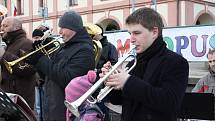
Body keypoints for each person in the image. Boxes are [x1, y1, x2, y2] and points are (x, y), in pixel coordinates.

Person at [99, 7, 189, 121]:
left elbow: (169, 102)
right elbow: (117, 100)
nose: (131, 39)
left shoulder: (176, 62)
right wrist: (111, 81)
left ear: (154, 32)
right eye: (130, 33)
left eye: (136, 33)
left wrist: (127, 82)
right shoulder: (133, 62)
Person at [27, 10, 95, 121]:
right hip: (53, 108)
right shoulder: (65, 46)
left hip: (65, 112)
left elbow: (67, 78)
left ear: (73, 28)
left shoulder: (84, 50)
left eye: (63, 27)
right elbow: (49, 75)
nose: (60, 32)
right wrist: (37, 59)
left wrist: (41, 60)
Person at [0, 16, 36, 109]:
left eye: (5, 26)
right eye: (1, 26)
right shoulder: (8, 44)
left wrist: (4, 55)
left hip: (21, 99)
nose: (2, 29)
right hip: (8, 97)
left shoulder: (27, 43)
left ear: (16, 28)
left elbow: (28, 69)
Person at [92, 24, 119, 121]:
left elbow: (114, 64)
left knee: (102, 111)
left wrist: (98, 70)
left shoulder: (110, 47)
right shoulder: (91, 46)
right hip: (91, 83)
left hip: (102, 85)